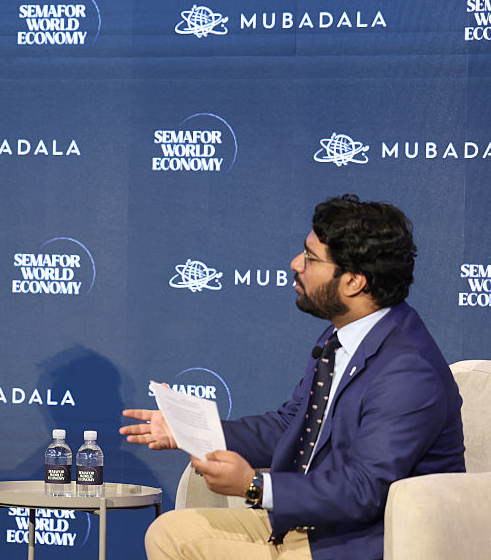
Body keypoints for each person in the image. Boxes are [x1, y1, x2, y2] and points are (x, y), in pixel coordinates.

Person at [121, 195, 465, 560]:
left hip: (362, 543)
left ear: (353, 281)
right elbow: (291, 426)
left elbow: (364, 490)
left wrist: (255, 486)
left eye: (311, 258)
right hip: (314, 525)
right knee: (170, 533)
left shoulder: (407, 372)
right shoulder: (341, 337)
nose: (295, 264)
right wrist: (191, 431)